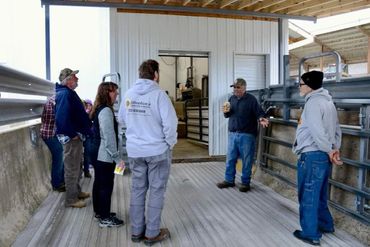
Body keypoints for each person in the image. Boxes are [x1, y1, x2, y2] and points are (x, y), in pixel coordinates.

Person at [118, 59, 177, 245]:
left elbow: (122, 120)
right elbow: (170, 124)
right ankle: (151, 233)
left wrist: (137, 134)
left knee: (137, 190)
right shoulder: (159, 96)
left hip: (135, 152)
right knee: (156, 191)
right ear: (156, 75)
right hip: (157, 151)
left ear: (139, 74)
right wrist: (169, 144)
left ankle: (136, 232)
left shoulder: (129, 94)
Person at [292, 70, 342, 246]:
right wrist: (335, 149)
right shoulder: (328, 102)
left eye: (301, 84)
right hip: (324, 155)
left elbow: (317, 131)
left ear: (309, 85)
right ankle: (325, 225)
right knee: (319, 193)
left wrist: (329, 150)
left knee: (308, 195)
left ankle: (310, 233)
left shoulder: (313, 103)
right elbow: (337, 129)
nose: (299, 86)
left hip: (313, 155)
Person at [217, 78, 269, 192]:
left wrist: (261, 119)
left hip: (247, 135)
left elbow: (259, 112)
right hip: (233, 134)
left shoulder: (251, 100)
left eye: (238, 87)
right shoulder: (232, 99)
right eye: (234, 87)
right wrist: (226, 112)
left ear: (244, 88)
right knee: (230, 158)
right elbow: (228, 115)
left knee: (247, 159)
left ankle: (245, 182)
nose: (235, 89)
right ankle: (229, 180)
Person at [55, 68, 92, 208]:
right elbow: (61, 119)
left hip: (75, 137)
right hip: (71, 139)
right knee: (71, 168)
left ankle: (76, 192)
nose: (77, 79)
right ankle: (71, 200)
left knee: (76, 166)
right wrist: (73, 134)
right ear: (69, 80)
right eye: (75, 77)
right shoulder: (65, 94)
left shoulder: (68, 93)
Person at [89, 82, 124, 228]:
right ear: (106, 93)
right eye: (114, 91)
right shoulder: (106, 111)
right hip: (103, 154)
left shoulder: (100, 109)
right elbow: (109, 138)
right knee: (105, 186)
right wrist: (117, 159)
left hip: (97, 152)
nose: (116, 94)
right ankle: (104, 218)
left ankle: (100, 212)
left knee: (99, 184)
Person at [40, 94, 65, 192]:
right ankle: (56, 184)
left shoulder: (57, 101)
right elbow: (56, 119)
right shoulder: (52, 103)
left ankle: (62, 180)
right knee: (58, 156)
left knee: (60, 155)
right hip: (49, 134)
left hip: (53, 133)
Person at [82, 99, 93, 178]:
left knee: (87, 154)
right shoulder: (82, 113)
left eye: (89, 105)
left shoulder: (92, 114)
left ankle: (86, 171)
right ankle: (80, 171)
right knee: (78, 155)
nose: (88, 106)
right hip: (80, 136)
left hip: (88, 137)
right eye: (87, 105)